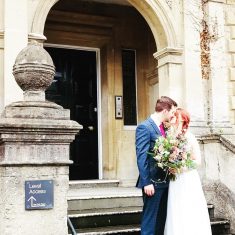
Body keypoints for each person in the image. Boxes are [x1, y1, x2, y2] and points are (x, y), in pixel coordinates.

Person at [164, 108, 212, 235]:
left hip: (187, 178)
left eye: (176, 117)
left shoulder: (190, 137)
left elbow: (198, 161)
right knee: (176, 209)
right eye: (172, 117)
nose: (172, 119)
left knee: (188, 208)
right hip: (175, 180)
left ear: (182, 120)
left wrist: (180, 168)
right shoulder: (170, 137)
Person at [136, 96, 177, 235]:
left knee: (161, 221)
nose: (172, 115)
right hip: (152, 183)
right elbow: (141, 157)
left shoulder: (164, 128)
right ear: (165, 111)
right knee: (150, 222)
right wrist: (146, 182)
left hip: (165, 181)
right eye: (172, 112)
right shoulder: (144, 127)